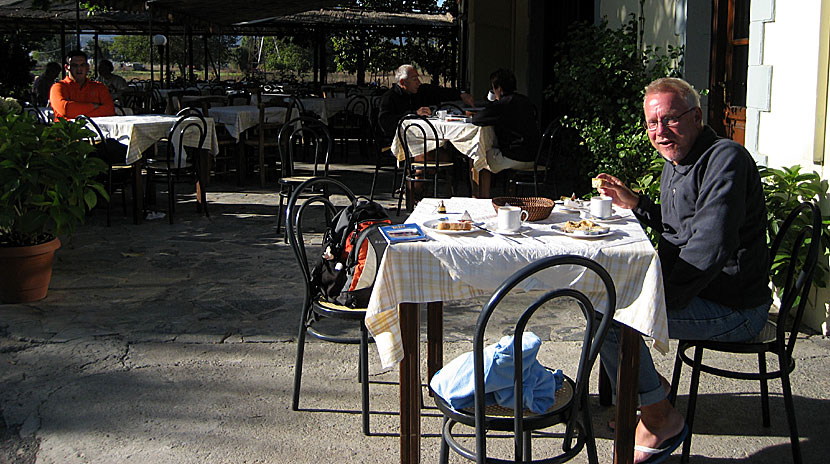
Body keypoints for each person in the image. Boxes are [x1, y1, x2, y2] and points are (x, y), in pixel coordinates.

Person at [595, 77, 771, 463]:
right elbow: (682, 227)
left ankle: (658, 416)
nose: (660, 132)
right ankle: (650, 393)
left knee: (609, 315)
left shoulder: (725, 159)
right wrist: (637, 203)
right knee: (603, 301)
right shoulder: (677, 160)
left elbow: (710, 245)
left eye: (671, 120)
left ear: (696, 116)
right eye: (652, 124)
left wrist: (655, 305)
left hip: (735, 307)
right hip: (700, 292)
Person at [470, 68, 540, 197]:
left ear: (499, 89)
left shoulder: (503, 104)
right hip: (535, 157)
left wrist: (494, 104)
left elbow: (477, 119)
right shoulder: (525, 101)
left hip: (514, 157)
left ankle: (481, 198)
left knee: (478, 155)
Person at [377, 64, 474, 138]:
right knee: (442, 154)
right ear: (403, 82)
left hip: (425, 135)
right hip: (403, 139)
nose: (418, 82)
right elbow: (386, 123)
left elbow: (440, 92)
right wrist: (414, 114)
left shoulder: (421, 91)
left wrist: (461, 95)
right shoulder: (389, 97)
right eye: (414, 79)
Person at [50, 50, 115, 121]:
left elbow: (110, 111)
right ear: (66, 68)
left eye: (82, 65)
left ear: (87, 67)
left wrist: (76, 113)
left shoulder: (99, 87)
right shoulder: (58, 87)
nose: (79, 69)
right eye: (74, 65)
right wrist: (94, 106)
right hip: (67, 131)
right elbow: (65, 110)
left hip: (96, 130)